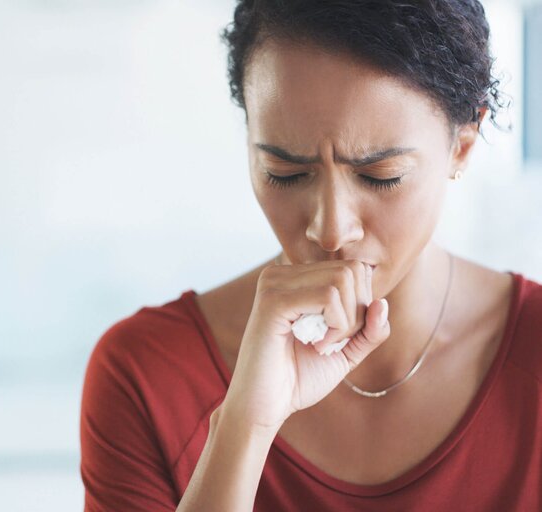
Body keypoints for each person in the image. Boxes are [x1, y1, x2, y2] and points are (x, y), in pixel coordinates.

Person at [79, 1, 542, 510]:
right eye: (285, 171)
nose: (329, 229)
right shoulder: (145, 375)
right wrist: (243, 428)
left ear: (463, 144)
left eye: (380, 175)